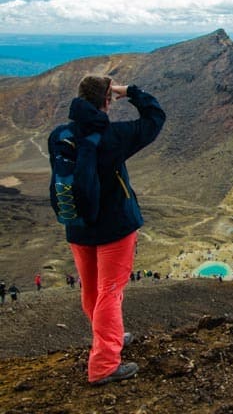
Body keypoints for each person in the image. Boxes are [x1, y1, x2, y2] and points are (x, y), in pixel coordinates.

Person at [48, 75, 165, 386]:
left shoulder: (59, 136)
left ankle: (108, 339)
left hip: (78, 227)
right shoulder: (114, 137)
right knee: (111, 292)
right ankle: (104, 365)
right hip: (115, 229)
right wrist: (129, 91)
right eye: (110, 98)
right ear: (107, 101)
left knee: (92, 290)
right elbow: (155, 116)